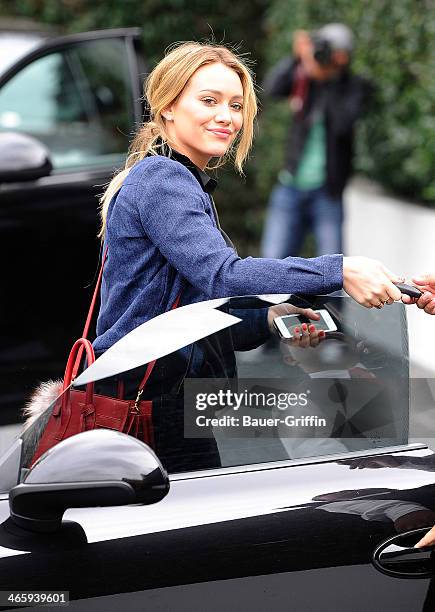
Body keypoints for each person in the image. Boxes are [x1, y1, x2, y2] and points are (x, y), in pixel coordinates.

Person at [92, 41, 402, 471]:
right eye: (209, 100)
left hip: (163, 396)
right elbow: (222, 275)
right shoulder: (162, 178)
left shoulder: (175, 178)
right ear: (167, 107)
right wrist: (339, 268)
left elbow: (188, 315)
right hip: (149, 401)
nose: (227, 116)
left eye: (236, 105)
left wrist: (271, 319)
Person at [261, 23, 372, 258]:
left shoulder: (354, 86)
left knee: (333, 266)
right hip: (289, 185)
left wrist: (328, 79)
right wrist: (296, 59)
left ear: (342, 57)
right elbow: (271, 88)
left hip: (327, 192)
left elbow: (343, 124)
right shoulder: (304, 79)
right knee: (271, 262)